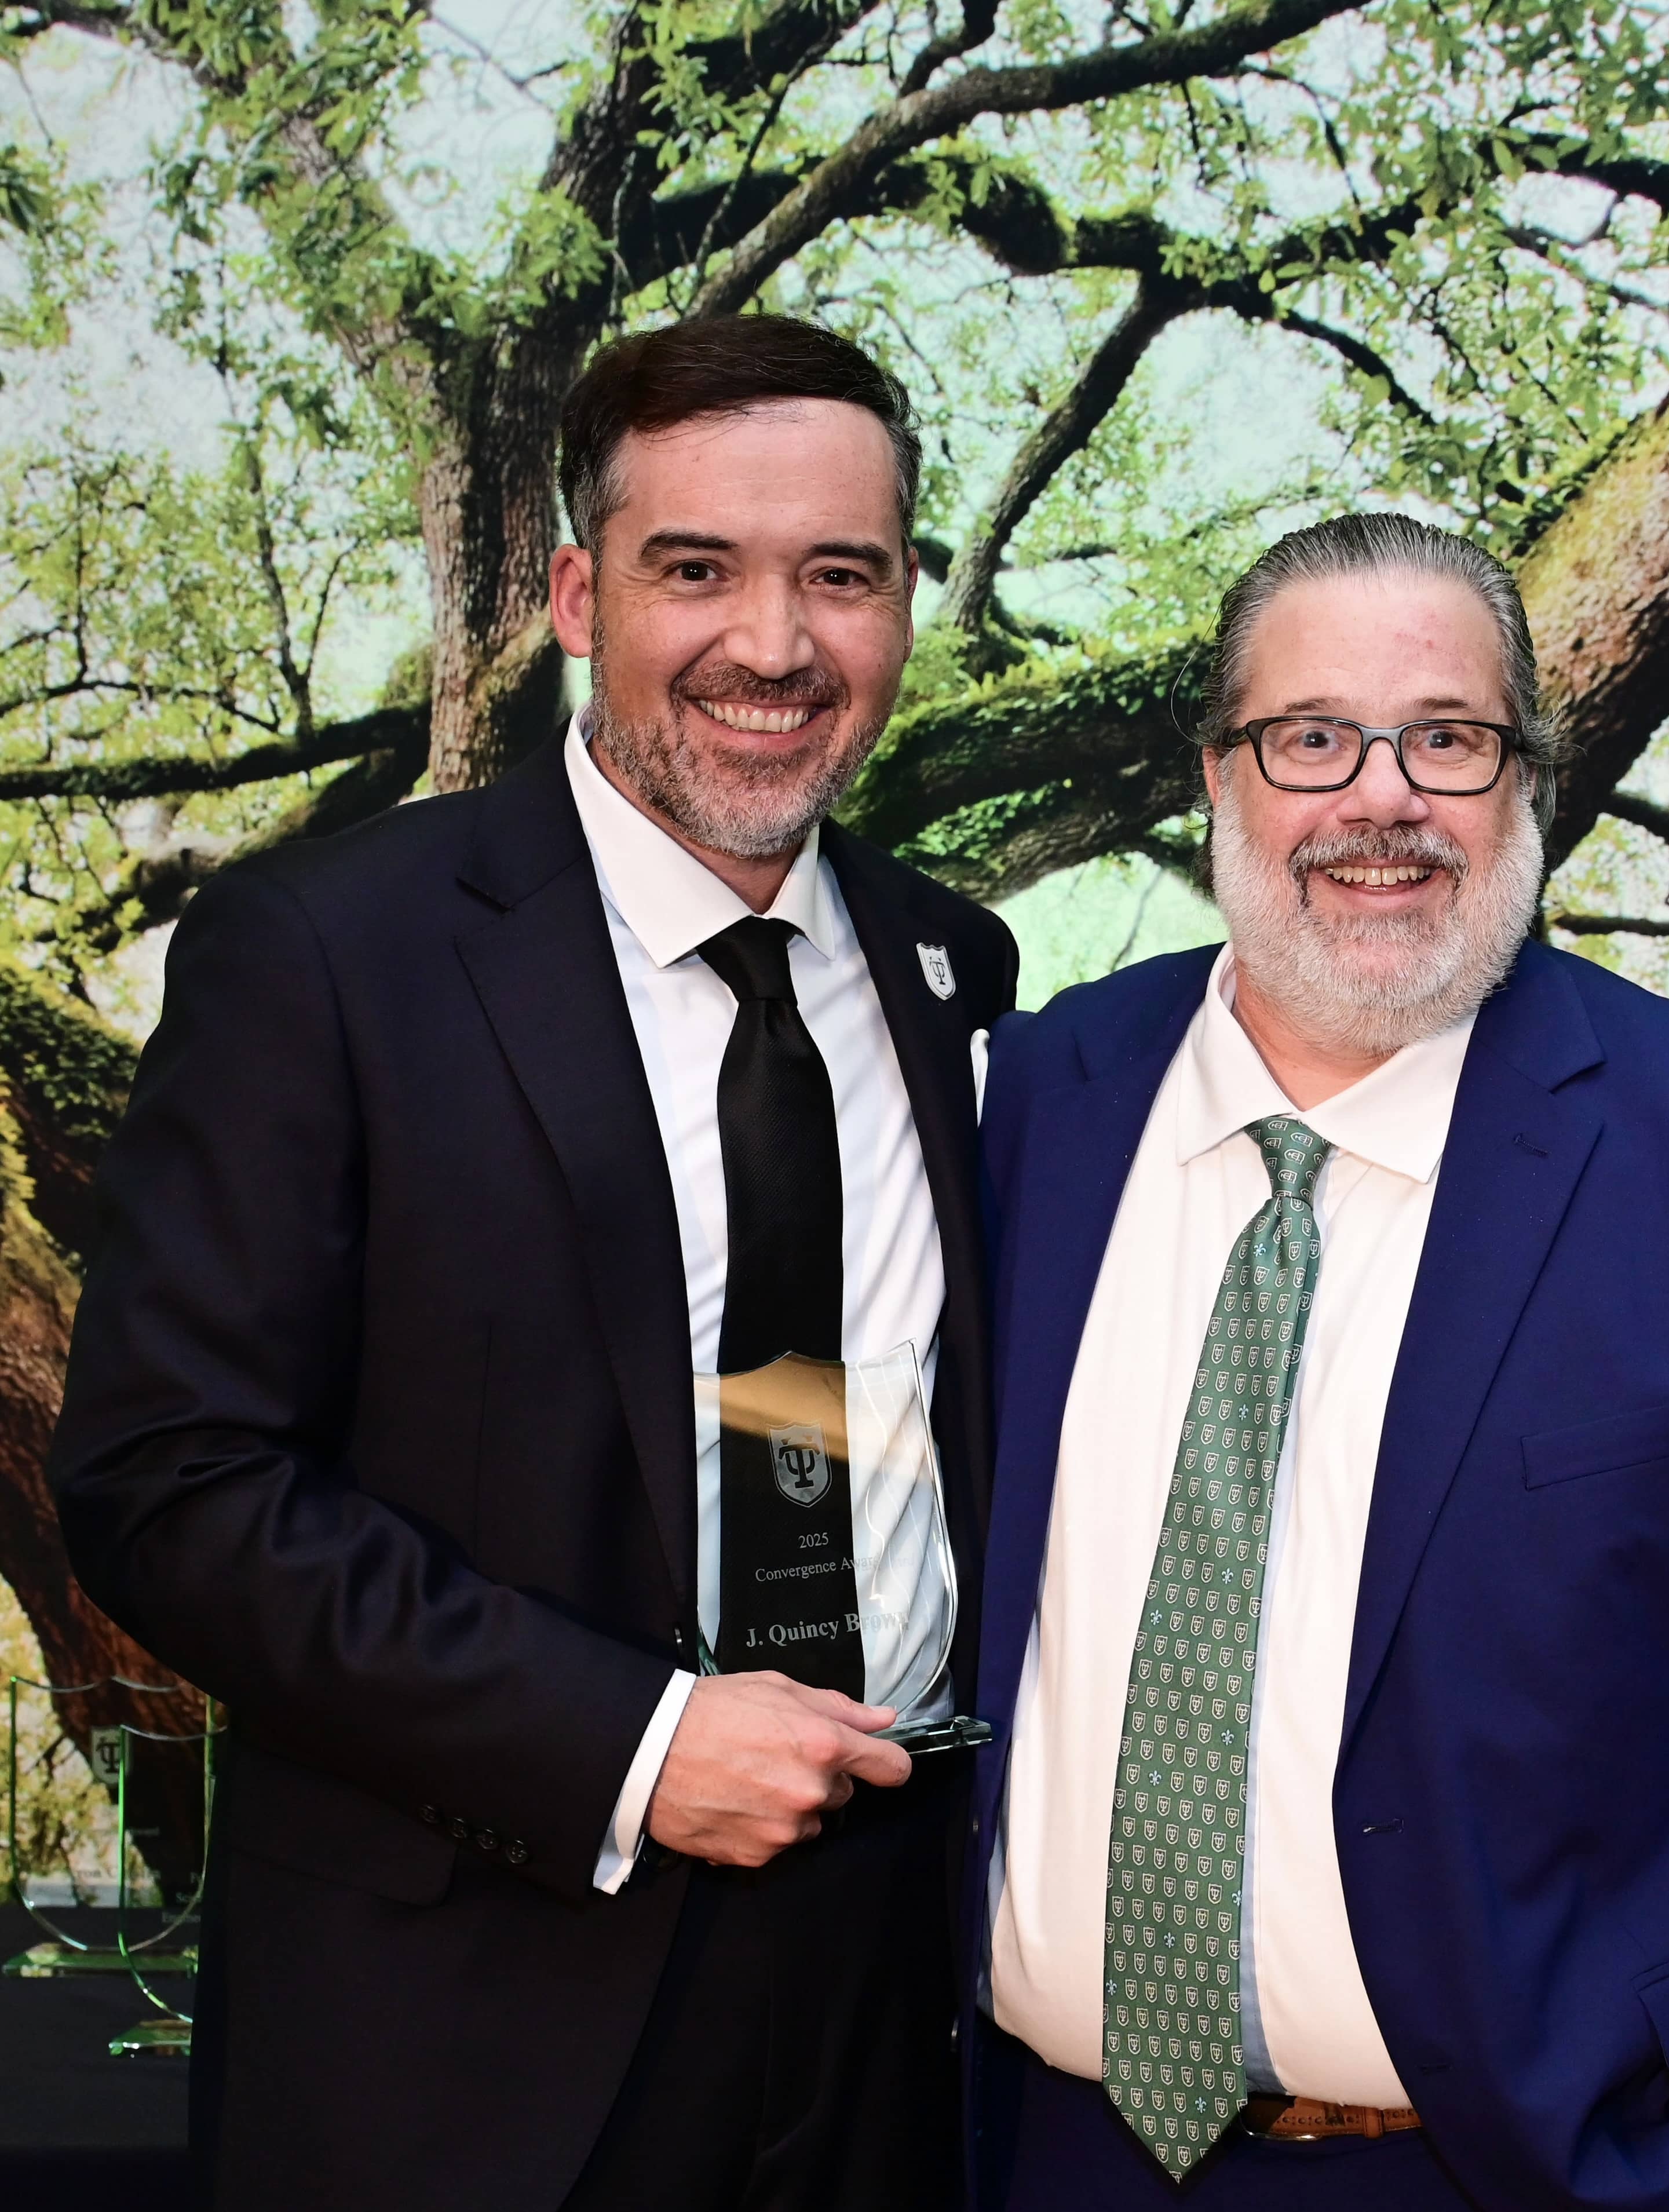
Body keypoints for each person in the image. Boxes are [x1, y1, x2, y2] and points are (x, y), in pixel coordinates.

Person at [49, 314, 1013, 2211]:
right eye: (695, 569)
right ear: (578, 591)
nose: (773, 642)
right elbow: (166, 1481)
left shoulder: (943, 967)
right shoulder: (325, 953)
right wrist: (636, 1742)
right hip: (468, 2022)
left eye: (841, 573)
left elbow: (807, 1378)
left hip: (895, 2002)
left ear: (906, 601)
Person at [966, 512, 1669, 2210]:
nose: (1380, 799)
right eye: (1311, 739)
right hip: (1046, 2154)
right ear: (1218, 775)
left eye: (1446, 738)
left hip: (1542, 2171)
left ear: (1527, 782)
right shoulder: (1039, 1100)